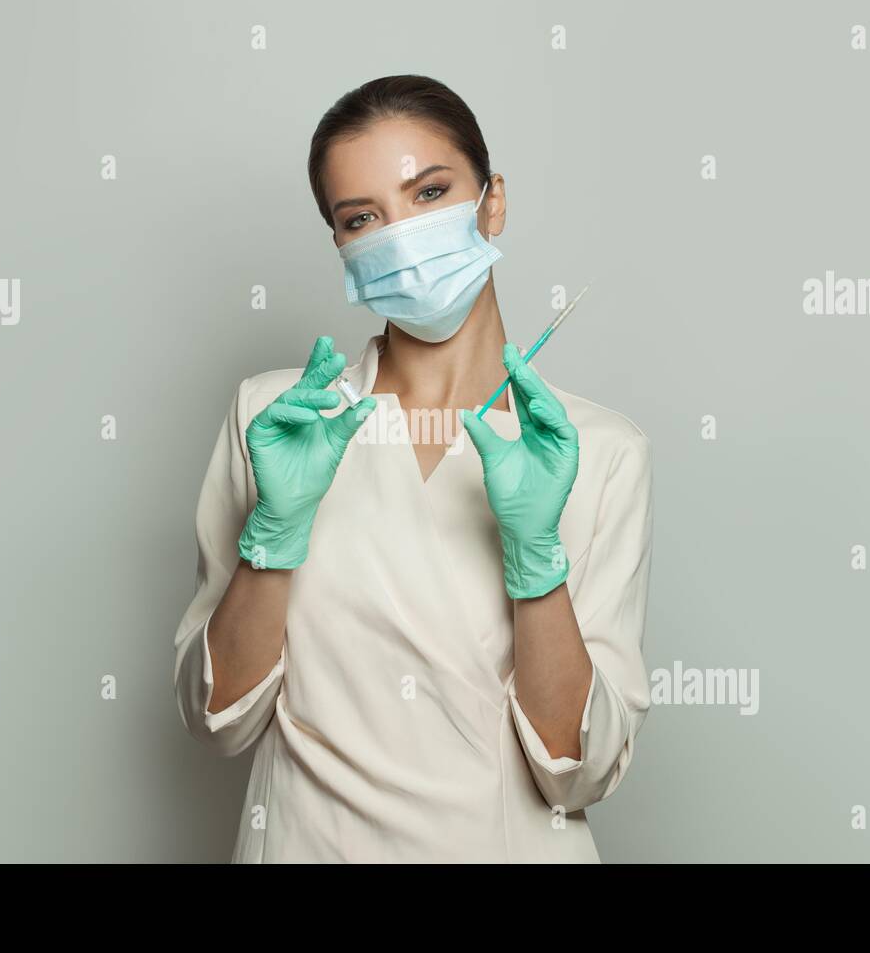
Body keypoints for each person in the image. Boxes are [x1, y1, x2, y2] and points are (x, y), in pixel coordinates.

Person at [174, 74, 654, 862]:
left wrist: (537, 560)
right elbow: (217, 719)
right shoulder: (277, 418)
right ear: (340, 243)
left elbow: (577, 771)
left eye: (430, 193)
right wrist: (274, 534)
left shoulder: (598, 450)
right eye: (362, 217)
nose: (400, 237)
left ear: (491, 201)